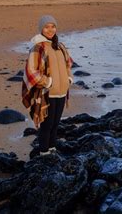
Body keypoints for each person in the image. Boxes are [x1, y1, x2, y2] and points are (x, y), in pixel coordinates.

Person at [21, 15, 74, 156]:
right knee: (47, 125)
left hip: (62, 92)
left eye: (53, 26)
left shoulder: (60, 46)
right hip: (47, 93)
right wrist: (48, 82)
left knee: (56, 124)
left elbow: (68, 63)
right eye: (46, 27)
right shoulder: (38, 47)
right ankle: (44, 153)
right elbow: (31, 71)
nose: (50, 30)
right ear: (41, 29)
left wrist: (69, 78)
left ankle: (52, 149)